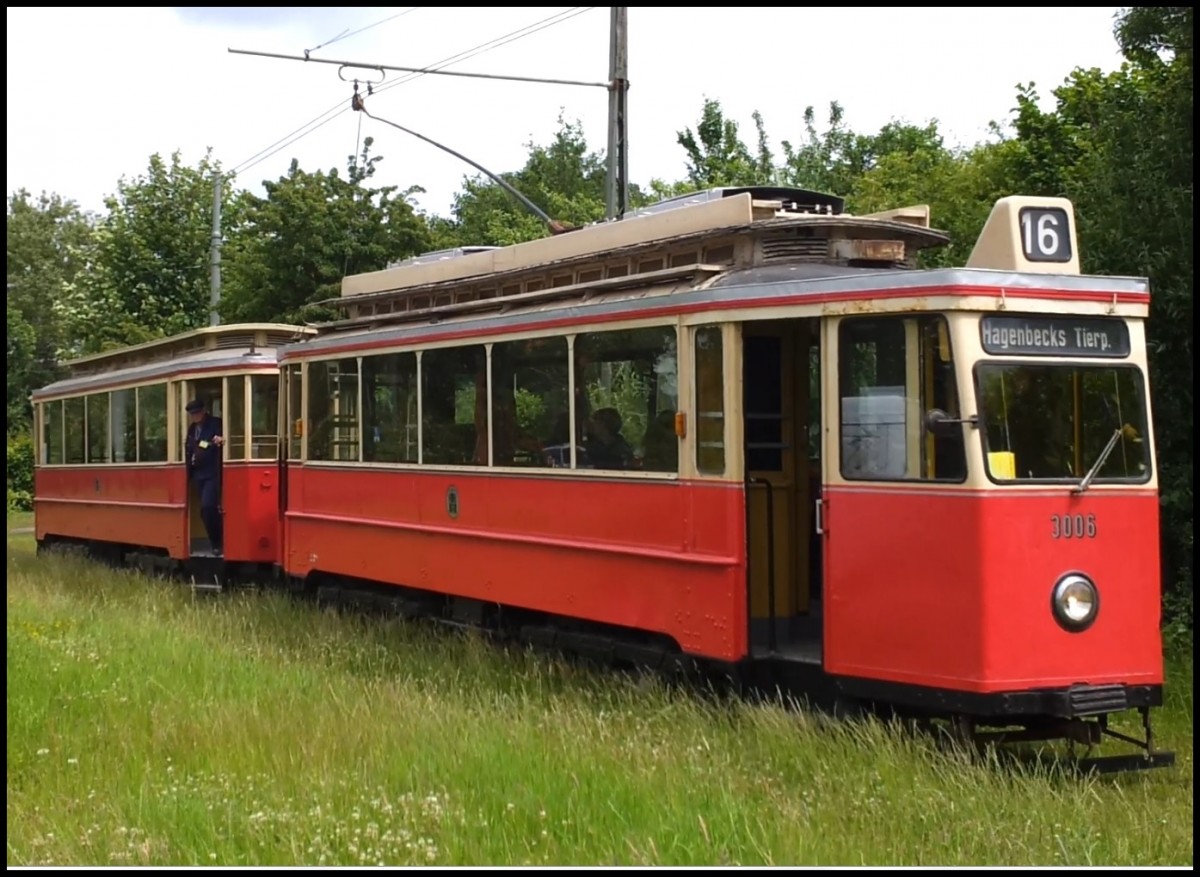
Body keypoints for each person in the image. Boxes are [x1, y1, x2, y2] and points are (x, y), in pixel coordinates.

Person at [184, 398, 225, 556]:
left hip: (212, 473)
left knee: (208, 507)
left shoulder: (215, 424)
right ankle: (215, 540)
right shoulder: (192, 429)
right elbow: (191, 447)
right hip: (198, 474)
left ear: (203, 411)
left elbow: (218, 441)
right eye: (192, 414)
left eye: (197, 413)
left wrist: (216, 441)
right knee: (204, 510)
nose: (195, 416)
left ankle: (217, 542)